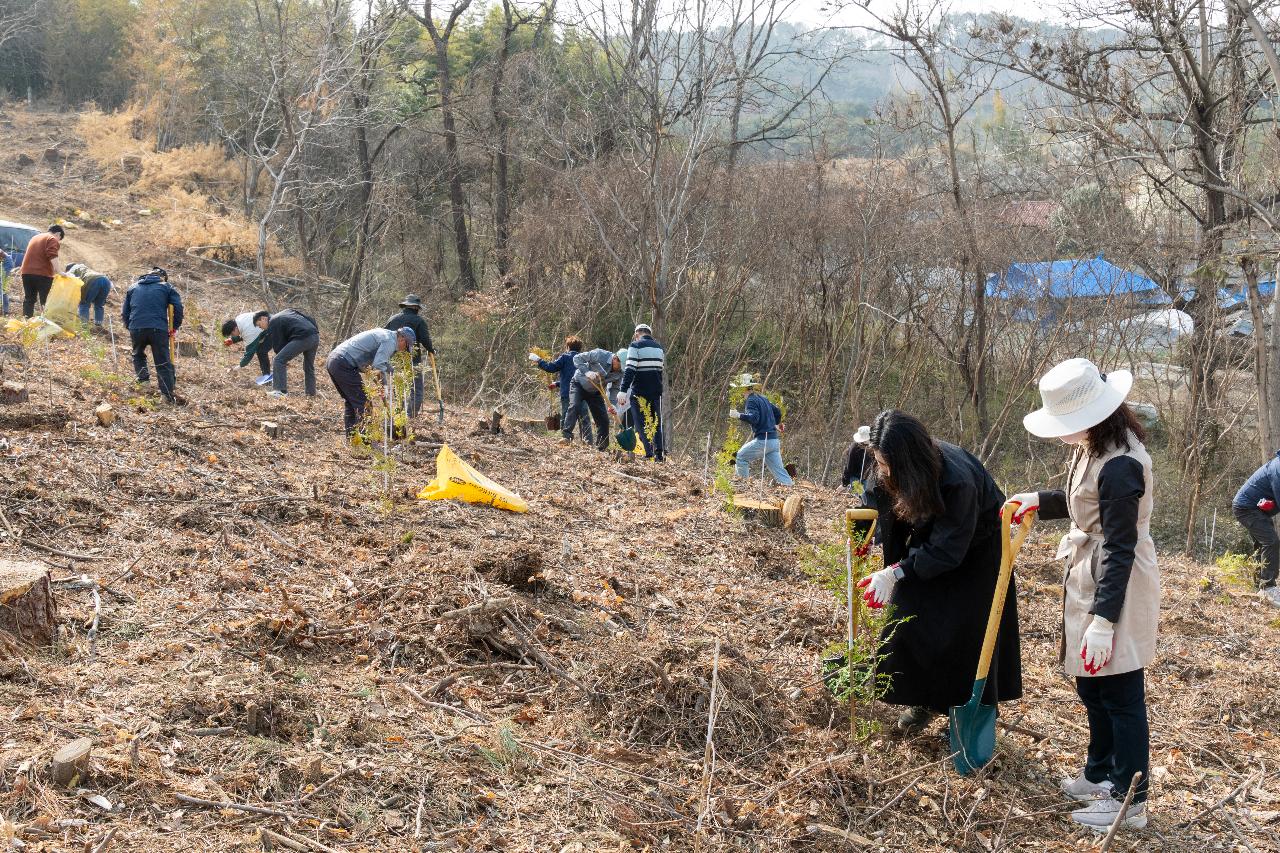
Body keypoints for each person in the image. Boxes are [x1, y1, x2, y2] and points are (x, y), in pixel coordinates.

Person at [1006, 358, 1158, 832]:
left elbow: (1119, 544)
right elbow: (1083, 503)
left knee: (1120, 690)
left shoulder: (1121, 466)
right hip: (1089, 571)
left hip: (1118, 581)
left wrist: (1103, 622)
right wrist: (1039, 500)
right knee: (1091, 684)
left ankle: (1129, 799)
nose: (1062, 433)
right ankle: (1100, 772)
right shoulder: (1096, 445)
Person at [856, 410, 1021, 738]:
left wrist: (897, 572)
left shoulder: (957, 479)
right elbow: (874, 500)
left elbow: (948, 549)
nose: (882, 469)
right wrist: (865, 535)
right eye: (878, 461)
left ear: (908, 460)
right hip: (930, 546)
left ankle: (965, 716)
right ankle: (923, 700)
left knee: (965, 636)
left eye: (886, 462)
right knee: (911, 619)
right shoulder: (890, 467)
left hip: (977, 553)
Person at [326, 326, 415, 435]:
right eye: (406, 347)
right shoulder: (389, 342)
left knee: (352, 402)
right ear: (402, 339)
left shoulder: (387, 335)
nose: (404, 350)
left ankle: (353, 440)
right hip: (343, 363)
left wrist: (393, 371)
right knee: (364, 404)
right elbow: (378, 365)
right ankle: (365, 442)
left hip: (335, 360)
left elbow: (380, 362)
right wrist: (384, 387)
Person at [122, 267, 183, 403]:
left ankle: (144, 383)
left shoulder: (133, 287)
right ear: (162, 277)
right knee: (162, 360)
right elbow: (178, 307)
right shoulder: (167, 287)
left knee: (138, 354)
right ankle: (166, 395)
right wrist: (175, 326)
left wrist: (129, 326)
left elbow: (125, 311)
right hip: (158, 328)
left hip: (136, 327)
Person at [1231, 452, 1280, 606]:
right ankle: (1267, 587)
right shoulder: (1278, 468)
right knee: (1270, 542)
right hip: (1246, 508)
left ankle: (1260, 586)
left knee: (1263, 543)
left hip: (1257, 509)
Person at [729, 374, 793, 486]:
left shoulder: (751, 401)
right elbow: (777, 411)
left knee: (740, 457)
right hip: (773, 442)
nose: (737, 390)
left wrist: (738, 415)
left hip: (763, 441)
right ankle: (791, 489)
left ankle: (742, 487)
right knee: (780, 473)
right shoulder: (763, 398)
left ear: (743, 388)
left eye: (738, 388)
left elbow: (754, 418)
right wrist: (776, 424)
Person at [616, 323, 665, 461]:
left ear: (637, 334)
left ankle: (648, 452)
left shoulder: (635, 346)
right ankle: (659, 454)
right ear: (650, 334)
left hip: (639, 389)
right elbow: (659, 371)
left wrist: (623, 390)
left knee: (640, 422)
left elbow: (630, 369)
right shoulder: (659, 348)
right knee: (655, 422)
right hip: (656, 390)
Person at [246, 309, 320, 398]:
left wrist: (279, 357)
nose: (261, 328)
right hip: (314, 335)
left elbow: (279, 347)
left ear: (263, 319)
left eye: (259, 325)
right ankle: (311, 394)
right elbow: (309, 318)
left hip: (303, 337)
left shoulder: (273, 322)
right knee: (308, 366)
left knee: (278, 360)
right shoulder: (287, 312)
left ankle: (280, 391)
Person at [530, 336, 591, 442]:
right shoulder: (584, 359)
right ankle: (588, 441)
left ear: (568, 347)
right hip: (583, 393)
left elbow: (551, 368)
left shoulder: (565, 357)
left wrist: (538, 360)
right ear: (580, 348)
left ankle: (566, 439)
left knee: (567, 417)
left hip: (568, 393)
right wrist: (557, 384)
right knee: (584, 419)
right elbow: (576, 377)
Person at [385, 295, 435, 416]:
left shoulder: (392, 319)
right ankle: (410, 417)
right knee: (416, 391)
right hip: (413, 361)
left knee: (398, 388)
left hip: (395, 359)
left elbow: (385, 335)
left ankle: (399, 416)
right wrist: (431, 350)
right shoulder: (419, 321)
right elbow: (425, 340)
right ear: (414, 307)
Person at [560, 346, 615, 451]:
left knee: (603, 419)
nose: (621, 370)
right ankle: (566, 436)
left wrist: (613, 404)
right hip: (579, 384)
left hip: (596, 391)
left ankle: (602, 446)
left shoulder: (620, 371)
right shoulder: (600, 354)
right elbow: (576, 358)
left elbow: (614, 389)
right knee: (574, 406)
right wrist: (587, 372)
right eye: (620, 366)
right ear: (615, 359)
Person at [19, 225, 63, 318]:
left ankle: (26, 323)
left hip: (26, 272)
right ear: (58, 234)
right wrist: (59, 271)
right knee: (46, 301)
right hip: (42, 274)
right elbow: (52, 254)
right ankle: (46, 325)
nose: (58, 241)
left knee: (29, 299)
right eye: (59, 239)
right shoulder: (52, 238)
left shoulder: (35, 237)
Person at [221, 312, 272, 383]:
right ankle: (267, 377)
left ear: (235, 328)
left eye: (232, 334)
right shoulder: (239, 318)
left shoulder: (249, 331)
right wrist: (232, 340)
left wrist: (240, 366)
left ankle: (267, 378)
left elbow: (250, 353)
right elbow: (243, 332)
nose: (232, 335)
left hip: (273, 329)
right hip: (268, 320)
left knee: (261, 351)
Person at [67, 263, 112, 327]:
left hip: (92, 281)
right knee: (99, 304)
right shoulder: (84, 268)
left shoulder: (72, 270)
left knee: (84, 303)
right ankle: (98, 325)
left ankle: (84, 326)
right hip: (106, 280)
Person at [841, 425, 873, 493]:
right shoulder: (854, 448)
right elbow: (849, 467)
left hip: (868, 477)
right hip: (855, 477)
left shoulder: (873, 447)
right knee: (860, 494)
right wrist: (845, 483)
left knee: (868, 496)